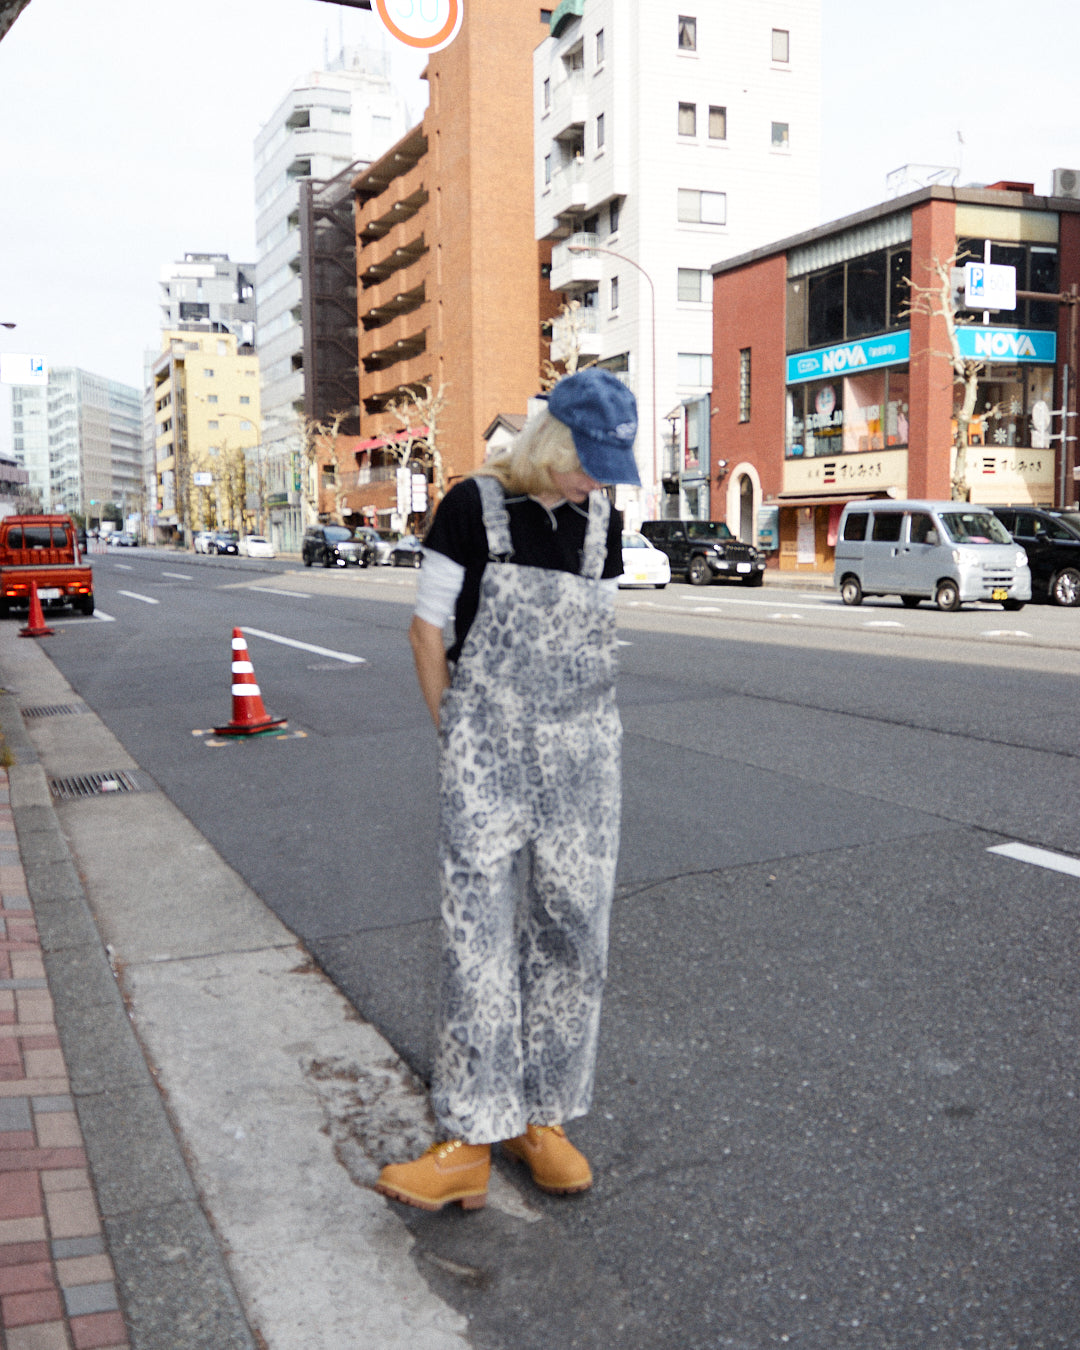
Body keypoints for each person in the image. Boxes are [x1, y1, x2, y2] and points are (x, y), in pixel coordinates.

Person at [375, 368, 640, 1212]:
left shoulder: (605, 520)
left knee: (572, 934)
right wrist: (454, 735)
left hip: (583, 759)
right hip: (486, 753)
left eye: (606, 466)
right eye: (586, 462)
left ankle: (544, 1117)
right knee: (476, 941)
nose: (595, 479)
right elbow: (426, 631)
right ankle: (468, 1139)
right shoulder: (470, 508)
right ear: (551, 444)